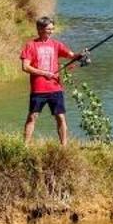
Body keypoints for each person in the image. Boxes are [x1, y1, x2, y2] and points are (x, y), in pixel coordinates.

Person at [21, 14, 86, 144]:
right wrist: (44, 73)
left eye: (52, 29)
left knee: (60, 117)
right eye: (48, 29)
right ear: (40, 29)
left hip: (55, 88)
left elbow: (71, 55)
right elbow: (25, 67)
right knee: (32, 116)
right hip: (38, 89)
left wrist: (80, 55)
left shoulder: (56, 44)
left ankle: (64, 147)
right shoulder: (31, 45)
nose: (51, 31)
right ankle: (25, 146)